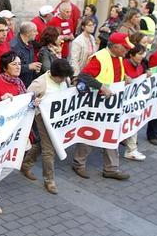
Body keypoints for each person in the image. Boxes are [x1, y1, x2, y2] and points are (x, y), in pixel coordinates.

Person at [73, 32, 134, 181]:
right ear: (115, 46)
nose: (127, 50)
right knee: (91, 133)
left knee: (111, 134)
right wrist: (101, 87)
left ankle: (111, 168)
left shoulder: (118, 57)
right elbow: (84, 76)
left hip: (110, 105)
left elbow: (114, 74)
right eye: (124, 47)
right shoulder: (100, 58)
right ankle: (78, 164)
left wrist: (124, 77)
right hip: (97, 104)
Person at [0, 52, 29, 210]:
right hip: (0, 133)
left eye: (19, 64)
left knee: (12, 162)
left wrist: (32, 102)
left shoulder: (19, 82)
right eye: (14, 64)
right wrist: (0, 100)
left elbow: (24, 102)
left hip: (16, 132)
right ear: (4, 67)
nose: (18, 67)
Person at [21, 59, 74, 194]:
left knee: (45, 144)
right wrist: (35, 102)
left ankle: (26, 164)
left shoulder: (65, 80)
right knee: (49, 149)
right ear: (54, 74)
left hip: (58, 119)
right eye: (61, 78)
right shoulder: (40, 83)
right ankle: (49, 180)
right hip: (43, 119)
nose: (63, 80)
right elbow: (26, 98)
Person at [121, 44, 148, 161]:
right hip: (122, 101)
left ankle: (131, 150)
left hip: (131, 103)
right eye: (139, 54)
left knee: (133, 121)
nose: (142, 56)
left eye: (143, 53)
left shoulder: (140, 66)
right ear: (131, 55)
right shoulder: (124, 64)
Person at [10, 21, 42, 87]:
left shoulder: (30, 43)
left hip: (28, 84)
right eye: (34, 31)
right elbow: (10, 69)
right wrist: (29, 67)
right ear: (28, 33)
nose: (37, 33)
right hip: (17, 85)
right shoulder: (14, 47)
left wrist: (35, 68)